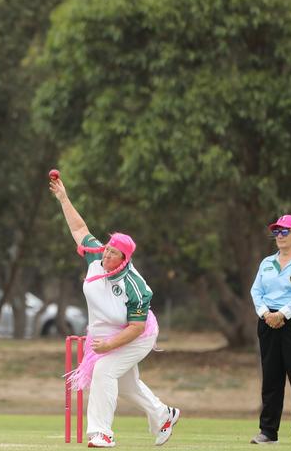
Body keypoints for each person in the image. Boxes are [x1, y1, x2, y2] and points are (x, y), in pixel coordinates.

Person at [50, 175, 179, 448]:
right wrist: (64, 198)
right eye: (106, 250)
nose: (106, 255)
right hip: (104, 334)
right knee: (128, 386)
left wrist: (109, 345)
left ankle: (101, 433)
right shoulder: (96, 255)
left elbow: (136, 327)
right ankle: (163, 415)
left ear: (124, 259)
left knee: (104, 372)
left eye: (112, 254)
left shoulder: (136, 287)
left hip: (136, 335)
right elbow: (78, 227)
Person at [250, 214, 291, 446]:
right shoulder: (266, 263)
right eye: (277, 232)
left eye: (285, 231)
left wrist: (283, 314)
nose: (279, 236)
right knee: (271, 378)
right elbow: (255, 291)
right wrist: (265, 313)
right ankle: (268, 431)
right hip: (268, 321)